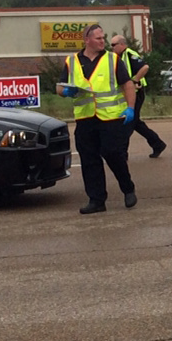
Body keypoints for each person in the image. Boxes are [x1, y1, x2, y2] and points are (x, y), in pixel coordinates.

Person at [59, 23, 137, 214]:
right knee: (89, 160)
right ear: (87, 40)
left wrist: (130, 108)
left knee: (112, 153)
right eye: (98, 38)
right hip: (85, 119)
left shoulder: (113, 59)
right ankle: (97, 200)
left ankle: (127, 187)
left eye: (103, 38)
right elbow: (59, 87)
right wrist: (65, 91)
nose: (103, 41)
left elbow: (127, 84)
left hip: (110, 118)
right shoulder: (72, 61)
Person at [110, 34, 166, 158]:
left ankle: (122, 154)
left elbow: (145, 67)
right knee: (134, 122)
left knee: (129, 123)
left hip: (136, 93)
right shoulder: (116, 57)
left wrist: (135, 81)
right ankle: (157, 144)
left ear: (122, 44)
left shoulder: (129, 54)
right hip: (127, 94)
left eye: (114, 45)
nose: (112, 47)